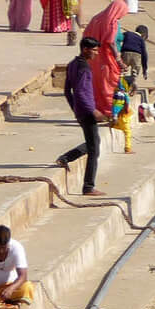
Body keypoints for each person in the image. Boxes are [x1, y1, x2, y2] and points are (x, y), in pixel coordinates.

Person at [61, 37, 106, 196]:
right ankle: (88, 186)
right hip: (87, 112)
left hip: (81, 110)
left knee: (94, 142)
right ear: (85, 49)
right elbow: (79, 91)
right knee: (94, 150)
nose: (96, 53)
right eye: (94, 50)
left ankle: (66, 157)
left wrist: (75, 108)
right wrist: (92, 110)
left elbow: (67, 90)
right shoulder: (83, 68)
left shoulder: (72, 64)